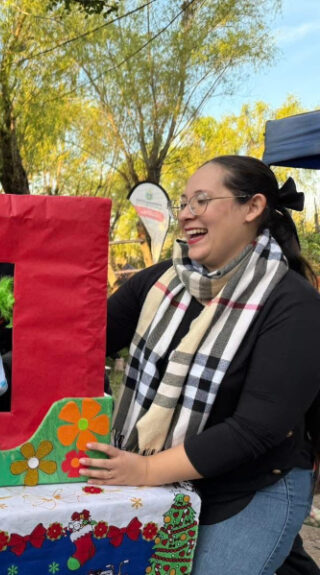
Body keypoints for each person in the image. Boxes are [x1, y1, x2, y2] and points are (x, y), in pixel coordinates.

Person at [79, 156, 320, 574]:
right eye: (184, 203)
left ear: (253, 207)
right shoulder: (160, 282)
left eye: (202, 200)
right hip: (168, 482)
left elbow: (254, 431)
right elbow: (82, 341)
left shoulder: (293, 303)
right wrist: (2, 357)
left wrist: (148, 468)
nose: (186, 213)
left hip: (251, 486)